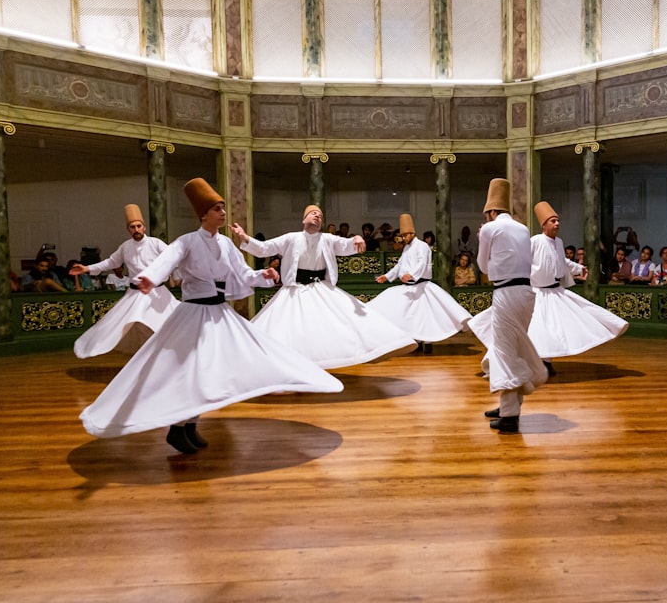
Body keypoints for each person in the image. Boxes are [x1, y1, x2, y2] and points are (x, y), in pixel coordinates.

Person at [79, 178, 343, 454]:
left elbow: (242, 274)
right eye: (218, 208)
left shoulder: (227, 245)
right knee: (189, 371)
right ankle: (178, 428)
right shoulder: (187, 242)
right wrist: (147, 278)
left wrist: (263, 276)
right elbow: (165, 262)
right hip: (193, 314)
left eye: (223, 207)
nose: (224, 212)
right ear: (204, 214)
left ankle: (189, 425)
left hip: (219, 313)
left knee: (210, 371)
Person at [230, 205, 416, 369]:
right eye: (312, 213)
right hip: (294, 291)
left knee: (336, 326)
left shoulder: (328, 239)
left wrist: (358, 238)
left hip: (320, 288)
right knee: (289, 330)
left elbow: (347, 245)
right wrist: (244, 238)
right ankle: (292, 367)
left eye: (319, 215)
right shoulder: (291, 238)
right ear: (304, 219)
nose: (317, 216)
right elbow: (264, 248)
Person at [470, 200, 628, 378]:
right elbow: (522, 257)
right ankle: (517, 363)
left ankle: (545, 362)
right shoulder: (535, 240)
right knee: (536, 328)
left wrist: (578, 268)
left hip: (555, 291)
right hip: (538, 292)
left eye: (558, 220)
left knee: (556, 327)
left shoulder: (559, 243)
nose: (557, 224)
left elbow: (562, 261)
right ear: (544, 225)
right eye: (553, 221)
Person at [474, 179, 548, 433]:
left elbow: (483, 267)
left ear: (491, 211)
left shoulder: (489, 229)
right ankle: (509, 405)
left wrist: (483, 238)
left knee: (504, 353)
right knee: (510, 348)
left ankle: (509, 416)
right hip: (527, 293)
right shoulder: (523, 229)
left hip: (505, 292)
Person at [68, 204, 180, 358]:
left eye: (138, 226)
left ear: (144, 227)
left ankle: (163, 358)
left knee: (168, 325)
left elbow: (173, 258)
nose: (136, 229)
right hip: (135, 295)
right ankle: (145, 358)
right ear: (128, 230)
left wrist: (178, 275)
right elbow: (110, 262)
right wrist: (86, 269)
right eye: (132, 227)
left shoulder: (156, 243)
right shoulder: (125, 247)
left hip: (157, 293)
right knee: (136, 324)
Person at [370, 213, 472, 353]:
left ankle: (428, 343)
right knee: (409, 315)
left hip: (421, 287)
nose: (403, 238)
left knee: (425, 316)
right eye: (402, 235)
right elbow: (399, 265)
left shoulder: (422, 246)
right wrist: (387, 276)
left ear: (412, 233)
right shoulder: (406, 248)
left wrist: (412, 275)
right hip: (409, 287)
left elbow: (422, 264)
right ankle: (415, 341)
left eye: (405, 235)